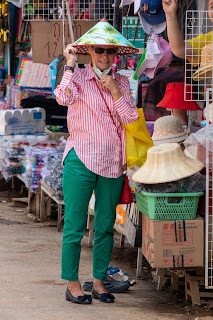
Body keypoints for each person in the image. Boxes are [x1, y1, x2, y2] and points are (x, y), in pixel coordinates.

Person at [54, 19, 139, 304]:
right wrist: (69, 63)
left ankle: (100, 282)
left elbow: (131, 119)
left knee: (104, 226)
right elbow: (62, 97)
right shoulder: (76, 78)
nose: (105, 56)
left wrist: (115, 90)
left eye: (110, 52)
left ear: (116, 55)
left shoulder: (124, 82)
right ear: (89, 50)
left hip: (113, 164)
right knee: (75, 226)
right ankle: (72, 283)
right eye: (100, 50)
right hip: (80, 159)